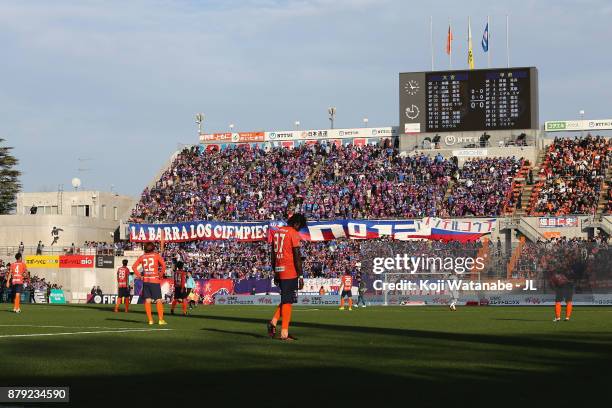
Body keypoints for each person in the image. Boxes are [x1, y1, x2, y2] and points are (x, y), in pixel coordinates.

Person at [267, 214, 307, 341]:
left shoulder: (277, 232)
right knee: (288, 301)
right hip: (290, 271)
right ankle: (284, 333)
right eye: (300, 227)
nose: (299, 229)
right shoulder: (293, 233)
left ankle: (273, 322)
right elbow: (296, 256)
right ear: (297, 224)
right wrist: (300, 275)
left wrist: (275, 272)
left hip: (279, 269)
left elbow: (273, 255)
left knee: (286, 299)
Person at [132, 242, 167, 325]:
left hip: (146, 281)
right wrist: (160, 275)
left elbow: (134, 267)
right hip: (154, 280)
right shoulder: (156, 255)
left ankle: (150, 320)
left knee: (147, 300)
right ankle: (160, 320)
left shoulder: (142, 257)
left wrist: (140, 276)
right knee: (158, 300)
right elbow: (164, 265)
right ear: (153, 248)